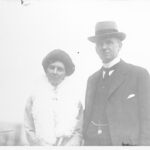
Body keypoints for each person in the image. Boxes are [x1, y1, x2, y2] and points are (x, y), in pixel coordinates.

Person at [83, 21, 150, 146]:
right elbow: (87, 116)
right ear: (95, 48)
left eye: (109, 42)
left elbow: (147, 118)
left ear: (119, 45)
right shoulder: (92, 80)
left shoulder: (138, 74)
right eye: (100, 43)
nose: (104, 47)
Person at [24, 49, 83, 146]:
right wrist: (40, 145)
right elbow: (28, 128)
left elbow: (78, 131)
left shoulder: (75, 98)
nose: (55, 72)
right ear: (46, 69)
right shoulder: (34, 95)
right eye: (52, 67)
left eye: (60, 69)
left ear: (65, 73)